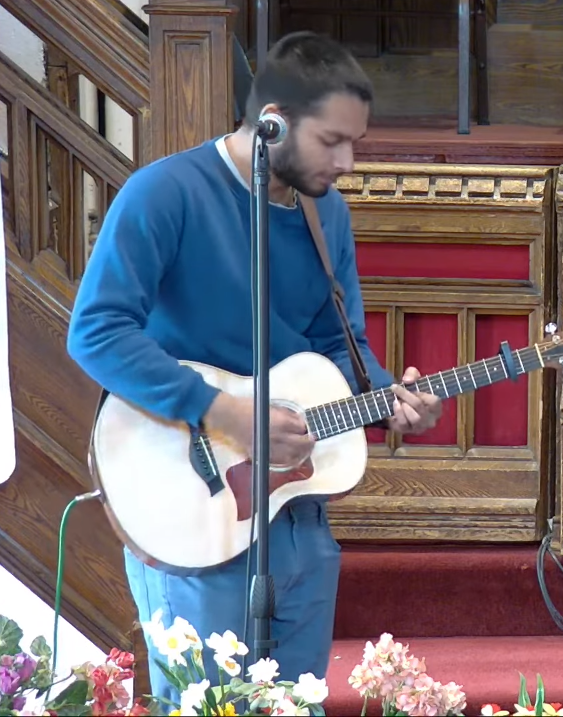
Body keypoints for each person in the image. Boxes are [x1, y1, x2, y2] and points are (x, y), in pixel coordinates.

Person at [66, 32, 443, 703]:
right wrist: (223, 410)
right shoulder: (165, 193)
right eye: (333, 140)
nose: (349, 161)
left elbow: (338, 345)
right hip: (192, 502)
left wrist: (391, 395)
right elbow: (94, 332)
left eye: (355, 141)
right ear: (272, 121)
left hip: (298, 518)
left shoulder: (327, 214)